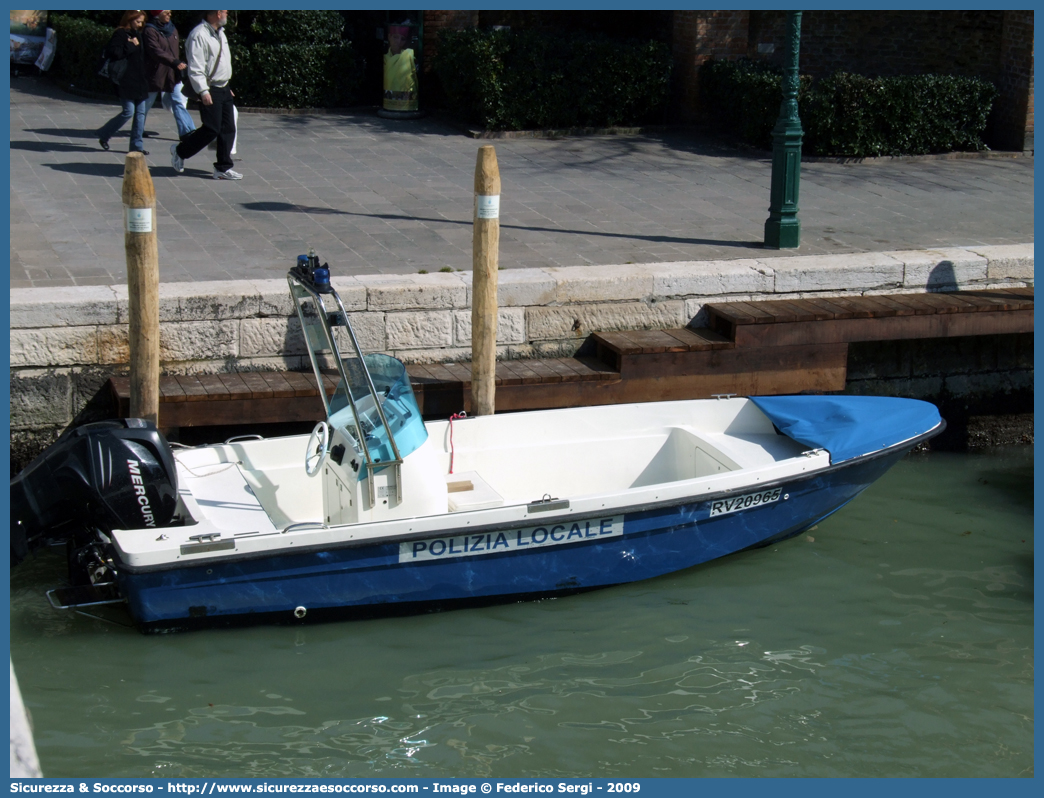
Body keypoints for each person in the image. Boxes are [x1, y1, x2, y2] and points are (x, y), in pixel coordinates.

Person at [170, 10, 240, 179]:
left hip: (223, 87)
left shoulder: (220, 33)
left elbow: (222, 61)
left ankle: (222, 168)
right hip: (210, 88)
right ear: (216, 13)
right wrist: (203, 90)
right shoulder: (199, 35)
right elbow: (196, 66)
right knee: (211, 128)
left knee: (228, 128)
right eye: (225, 11)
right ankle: (180, 151)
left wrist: (226, 84)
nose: (227, 14)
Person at [97, 10, 151, 154]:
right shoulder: (121, 33)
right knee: (128, 112)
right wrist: (131, 45)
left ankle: (136, 147)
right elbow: (114, 52)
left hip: (139, 81)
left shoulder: (138, 34)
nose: (140, 25)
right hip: (125, 80)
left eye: (142, 22)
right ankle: (104, 133)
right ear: (129, 19)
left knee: (140, 114)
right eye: (138, 21)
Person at [142, 10, 195, 141]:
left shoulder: (172, 29)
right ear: (157, 14)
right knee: (146, 104)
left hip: (173, 73)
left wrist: (177, 63)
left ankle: (187, 132)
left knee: (178, 101)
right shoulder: (149, 30)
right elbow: (155, 51)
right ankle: (138, 131)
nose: (170, 14)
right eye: (166, 12)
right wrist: (174, 61)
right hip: (156, 74)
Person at [382, 23, 418, 112]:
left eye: (402, 39)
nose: (398, 41)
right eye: (395, 37)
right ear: (389, 37)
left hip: (406, 104)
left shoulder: (409, 55)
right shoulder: (385, 58)